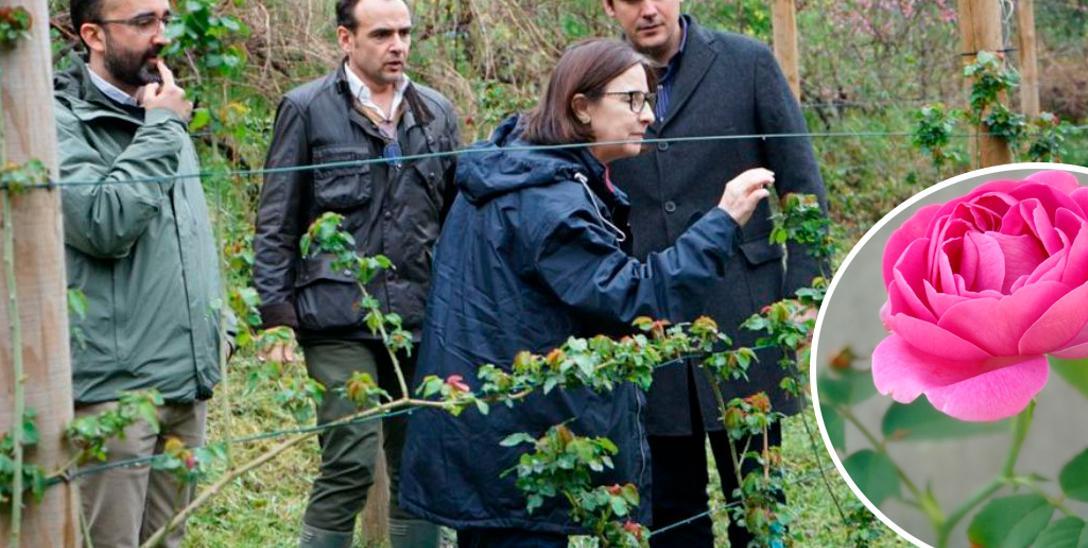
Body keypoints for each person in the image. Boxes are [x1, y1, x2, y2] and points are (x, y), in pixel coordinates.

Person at [397, 38, 774, 547]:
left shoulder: (521, 168)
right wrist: (723, 219)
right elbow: (636, 298)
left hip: (496, 432)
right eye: (631, 101)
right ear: (581, 106)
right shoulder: (546, 201)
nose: (647, 117)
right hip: (515, 449)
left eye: (649, 101)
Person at [601, 1, 830, 545]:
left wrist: (804, 292)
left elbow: (802, 185)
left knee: (758, 505)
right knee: (673, 515)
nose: (648, 9)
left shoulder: (747, 63)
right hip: (648, 325)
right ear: (609, 7)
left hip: (744, 314)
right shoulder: (599, 81)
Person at [251, 0, 459, 545]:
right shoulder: (306, 108)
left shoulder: (435, 112)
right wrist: (276, 315)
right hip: (336, 313)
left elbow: (455, 219)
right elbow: (276, 218)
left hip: (419, 313)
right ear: (346, 39)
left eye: (405, 33)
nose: (398, 45)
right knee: (351, 455)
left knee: (421, 466)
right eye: (382, 33)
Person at [56, 0, 226, 546]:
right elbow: (104, 224)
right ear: (93, 35)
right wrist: (161, 128)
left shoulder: (161, 111)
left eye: (166, 19)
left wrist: (216, 336)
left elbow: (188, 237)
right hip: (115, 395)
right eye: (142, 22)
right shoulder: (57, 120)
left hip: (186, 383)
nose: (162, 36)